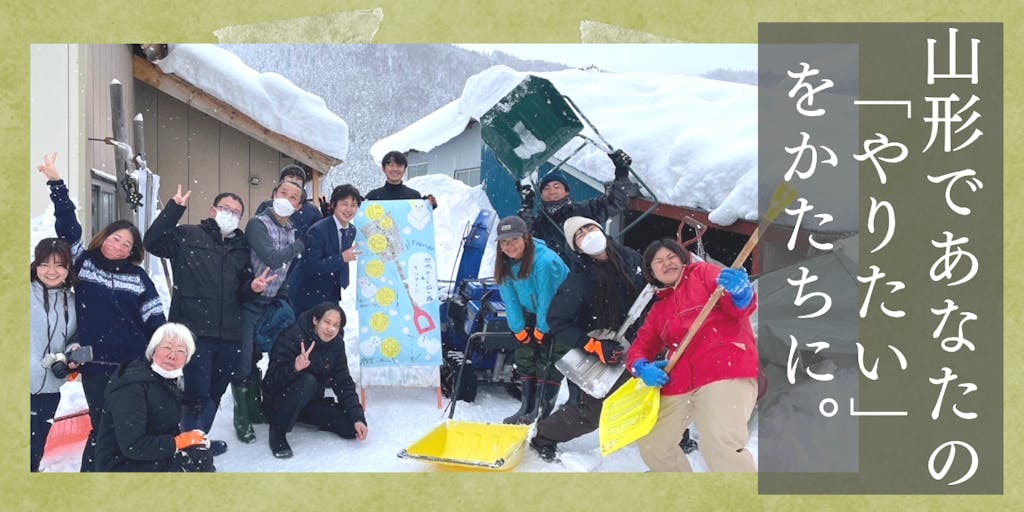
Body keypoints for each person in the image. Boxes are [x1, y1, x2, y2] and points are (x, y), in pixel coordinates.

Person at [38, 152, 166, 471]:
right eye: (115, 238)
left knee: (126, 425)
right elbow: (68, 227)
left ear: (132, 251)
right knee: (102, 425)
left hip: (132, 365)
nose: (118, 245)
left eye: (126, 244)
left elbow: (155, 319)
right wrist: (57, 184)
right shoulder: (83, 263)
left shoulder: (138, 278)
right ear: (104, 237)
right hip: (95, 365)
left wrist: (162, 355)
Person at [143, 185, 275, 456]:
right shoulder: (188, 235)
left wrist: (253, 288)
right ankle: (189, 448)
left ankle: (197, 440)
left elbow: (241, 290)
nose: (230, 215)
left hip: (229, 335)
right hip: (194, 333)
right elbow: (152, 242)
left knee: (215, 392)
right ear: (213, 210)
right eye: (225, 209)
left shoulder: (241, 248)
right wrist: (174, 208)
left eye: (236, 213)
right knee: (195, 395)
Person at [626, 238, 759, 472]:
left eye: (671, 257)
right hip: (680, 382)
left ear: (683, 259)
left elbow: (739, 309)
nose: (667, 263)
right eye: (659, 261)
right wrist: (642, 367)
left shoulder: (704, 274)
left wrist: (741, 295)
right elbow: (640, 348)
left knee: (719, 443)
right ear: (651, 272)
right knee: (653, 444)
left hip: (724, 369)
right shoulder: (659, 309)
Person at [529, 216, 646, 462]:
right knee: (589, 413)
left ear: (601, 229)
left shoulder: (632, 259)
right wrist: (593, 345)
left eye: (589, 227)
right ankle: (543, 436)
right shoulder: (579, 278)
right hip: (603, 350)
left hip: (644, 342)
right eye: (579, 234)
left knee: (659, 391)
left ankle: (675, 437)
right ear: (577, 247)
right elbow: (557, 320)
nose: (587, 234)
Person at [233, 179, 309, 443]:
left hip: (272, 301)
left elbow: (285, 270)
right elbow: (273, 259)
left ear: (298, 206)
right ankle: (241, 417)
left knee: (259, 354)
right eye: (283, 192)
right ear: (274, 193)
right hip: (250, 301)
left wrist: (283, 295)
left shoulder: (290, 228)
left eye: (293, 197)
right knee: (243, 358)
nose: (286, 198)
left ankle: (255, 408)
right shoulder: (258, 224)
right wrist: (300, 245)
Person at [94, 323, 215, 472]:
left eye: (181, 351)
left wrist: (189, 441)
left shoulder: (166, 380)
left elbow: (164, 427)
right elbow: (133, 445)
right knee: (196, 462)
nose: (172, 355)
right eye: (167, 348)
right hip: (120, 464)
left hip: (144, 455)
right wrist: (177, 442)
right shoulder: (133, 387)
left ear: (187, 359)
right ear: (153, 351)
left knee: (200, 454)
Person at [262, 302, 367, 458]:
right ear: (315, 320)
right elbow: (271, 381)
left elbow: (343, 381)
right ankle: (278, 431)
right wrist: (294, 367)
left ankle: (300, 416)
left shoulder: (336, 344)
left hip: (309, 402)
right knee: (308, 380)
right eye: (327, 322)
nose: (331, 329)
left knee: (349, 428)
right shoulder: (293, 336)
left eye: (336, 325)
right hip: (280, 401)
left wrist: (358, 418)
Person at [492, 216, 569, 424]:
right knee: (525, 356)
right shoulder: (504, 263)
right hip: (533, 312)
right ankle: (526, 407)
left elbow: (547, 297)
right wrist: (518, 329)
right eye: (504, 242)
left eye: (514, 240)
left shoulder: (544, 261)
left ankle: (541, 411)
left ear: (525, 238)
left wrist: (541, 329)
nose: (509, 246)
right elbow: (510, 298)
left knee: (548, 359)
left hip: (560, 313)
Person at [517, 149, 633, 268]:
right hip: (561, 275)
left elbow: (616, 201)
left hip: (597, 270)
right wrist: (527, 205)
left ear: (567, 191)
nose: (552, 191)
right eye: (546, 188)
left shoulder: (584, 210)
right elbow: (524, 238)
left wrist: (622, 172)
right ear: (541, 195)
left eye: (557, 187)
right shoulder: (540, 224)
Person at [30, 237, 79, 472]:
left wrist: (71, 351)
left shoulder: (73, 301)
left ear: (68, 268)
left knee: (35, 450)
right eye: (44, 264)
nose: (51, 271)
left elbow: (75, 337)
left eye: (59, 265)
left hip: (51, 388)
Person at [291, 184, 362, 315]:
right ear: (334, 205)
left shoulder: (351, 230)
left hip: (332, 292)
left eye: (353, 205)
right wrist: (341, 258)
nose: (349, 209)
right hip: (308, 292)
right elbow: (309, 265)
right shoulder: (318, 230)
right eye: (344, 204)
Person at [254, 164, 323, 236]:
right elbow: (256, 231)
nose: (294, 180)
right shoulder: (267, 205)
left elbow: (320, 234)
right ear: (282, 181)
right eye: (291, 176)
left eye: (298, 178)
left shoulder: (312, 210)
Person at [364, 150, 437, 207]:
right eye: (391, 165)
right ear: (383, 168)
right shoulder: (373, 197)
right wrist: (359, 201)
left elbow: (421, 214)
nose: (395, 169)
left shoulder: (414, 196)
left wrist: (429, 203)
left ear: (404, 169)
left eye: (399, 165)